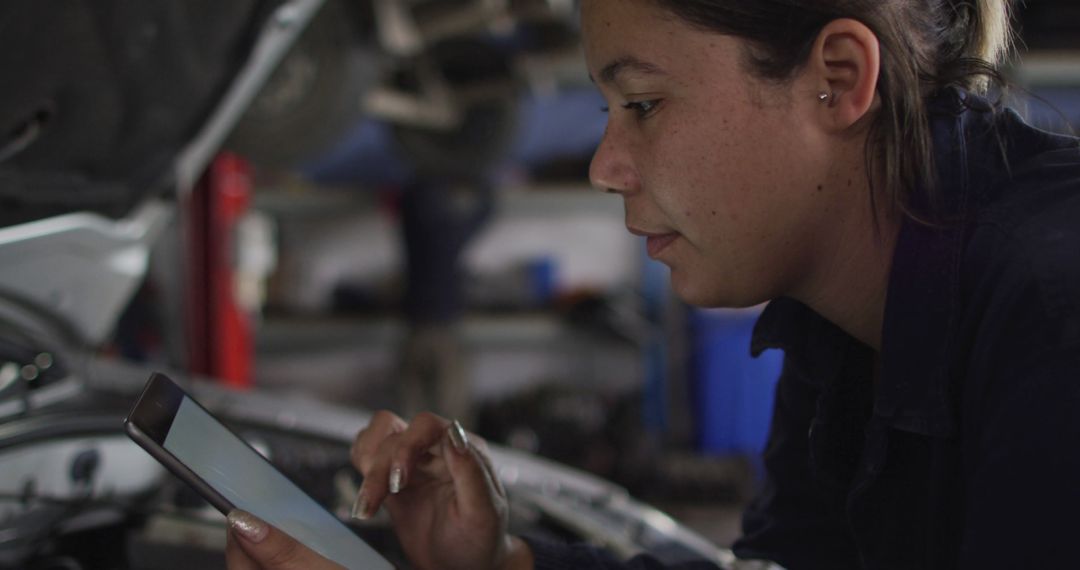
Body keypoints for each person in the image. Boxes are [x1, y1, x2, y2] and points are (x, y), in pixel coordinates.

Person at [223, 0, 1080, 568]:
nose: (605, 165)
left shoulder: (1054, 311)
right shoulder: (843, 317)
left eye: (641, 103)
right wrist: (499, 565)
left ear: (840, 78)